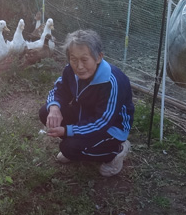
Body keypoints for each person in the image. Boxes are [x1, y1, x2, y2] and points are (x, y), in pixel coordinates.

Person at [39, 29, 135, 177]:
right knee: (46, 112)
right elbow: (58, 89)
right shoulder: (70, 70)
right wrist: (54, 108)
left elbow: (102, 122)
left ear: (98, 57)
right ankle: (80, 146)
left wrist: (67, 130)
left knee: (69, 148)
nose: (79, 66)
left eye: (84, 59)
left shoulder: (111, 82)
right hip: (85, 114)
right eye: (73, 59)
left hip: (111, 128)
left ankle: (116, 151)